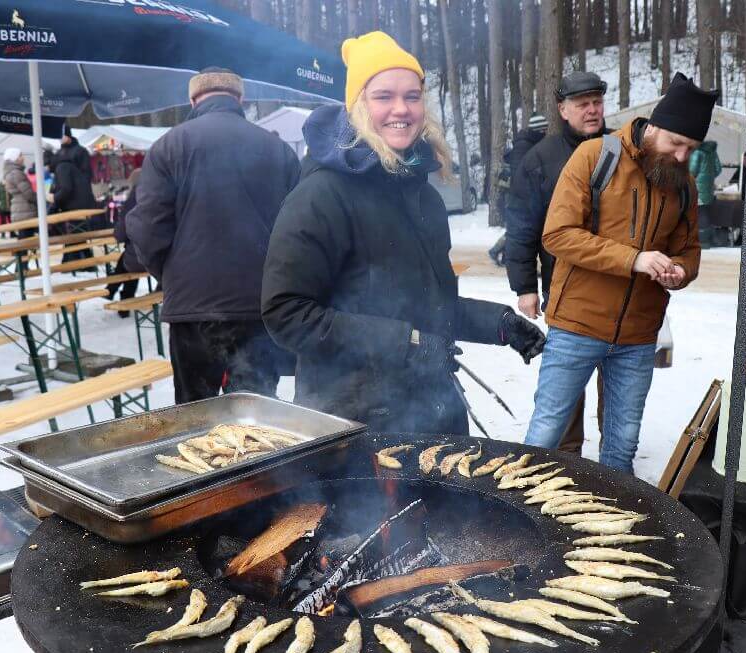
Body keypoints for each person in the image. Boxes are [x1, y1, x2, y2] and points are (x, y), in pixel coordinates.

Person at [261, 31, 546, 435]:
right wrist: (406, 343)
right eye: (383, 96)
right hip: (355, 423)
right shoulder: (321, 195)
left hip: (431, 410)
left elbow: (427, 304)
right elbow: (286, 314)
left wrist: (497, 323)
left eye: (412, 96)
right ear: (358, 104)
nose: (402, 108)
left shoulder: (422, 194)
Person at [524, 72, 714, 474]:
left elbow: (690, 252)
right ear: (655, 126)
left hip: (638, 338)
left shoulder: (684, 184)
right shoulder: (596, 156)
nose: (682, 156)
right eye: (676, 143)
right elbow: (558, 235)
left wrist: (680, 270)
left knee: (622, 445)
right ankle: (516, 522)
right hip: (577, 325)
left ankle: (609, 525)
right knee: (545, 437)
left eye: (691, 148)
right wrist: (634, 259)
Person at [127, 67, 301, 404]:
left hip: (194, 309)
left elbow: (147, 228)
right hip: (260, 304)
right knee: (257, 414)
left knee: (196, 414)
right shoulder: (278, 150)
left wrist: (172, 274)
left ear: (192, 99)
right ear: (240, 98)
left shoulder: (168, 146)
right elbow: (296, 232)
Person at [505, 71, 610, 455]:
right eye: (583, 104)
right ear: (563, 110)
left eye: (597, 102)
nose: (592, 110)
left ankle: (611, 469)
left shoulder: (620, 150)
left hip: (620, 294)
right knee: (565, 388)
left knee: (614, 389)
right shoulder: (541, 159)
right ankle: (567, 462)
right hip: (564, 289)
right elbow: (521, 226)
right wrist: (525, 286)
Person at [487, 112, 549, 267]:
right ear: (539, 131)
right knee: (519, 230)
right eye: (544, 131)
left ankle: (504, 255)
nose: (546, 134)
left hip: (520, 196)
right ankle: (498, 252)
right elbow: (520, 178)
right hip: (517, 197)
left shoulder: (529, 144)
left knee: (519, 230)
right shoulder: (524, 147)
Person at [51, 127, 97, 264]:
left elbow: (86, 175)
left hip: (77, 197)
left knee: (78, 229)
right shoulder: (59, 153)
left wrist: (80, 190)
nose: (60, 139)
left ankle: (80, 260)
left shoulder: (80, 151)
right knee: (72, 230)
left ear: (68, 136)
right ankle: (77, 259)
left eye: (62, 136)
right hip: (65, 198)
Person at [107, 168, 147, 315]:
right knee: (129, 259)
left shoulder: (135, 197)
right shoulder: (159, 193)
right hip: (159, 256)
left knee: (129, 260)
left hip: (142, 254)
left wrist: (118, 236)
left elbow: (124, 226)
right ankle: (116, 292)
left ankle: (112, 291)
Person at [689, 139, 722, 247]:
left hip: (697, 187)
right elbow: (718, 169)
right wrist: (709, 178)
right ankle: (707, 239)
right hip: (708, 188)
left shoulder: (697, 152)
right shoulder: (712, 152)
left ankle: (702, 241)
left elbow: (692, 171)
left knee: (699, 213)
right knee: (705, 212)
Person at [1, 148, 37, 238]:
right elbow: (29, 194)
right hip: (25, 210)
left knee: (25, 240)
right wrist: (40, 199)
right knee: (25, 240)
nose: (23, 158)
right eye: (20, 155)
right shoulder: (16, 173)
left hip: (20, 210)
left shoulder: (11, 172)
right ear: (15, 158)